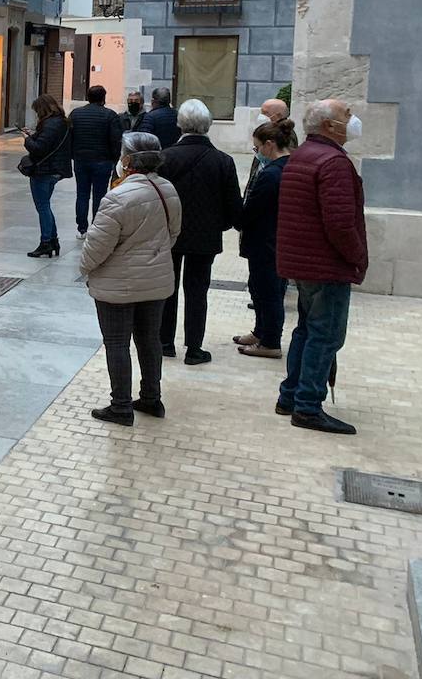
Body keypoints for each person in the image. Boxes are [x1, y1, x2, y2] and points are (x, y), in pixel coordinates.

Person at [275, 99, 368, 435]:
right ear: (330, 125)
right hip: (325, 265)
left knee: (306, 329)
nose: (352, 119)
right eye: (346, 114)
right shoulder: (333, 162)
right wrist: (357, 256)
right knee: (326, 336)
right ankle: (308, 406)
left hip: (304, 262)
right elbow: (340, 223)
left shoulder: (303, 155)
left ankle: (290, 396)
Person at [79, 133, 182, 425]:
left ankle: (121, 406)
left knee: (117, 342)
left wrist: (85, 269)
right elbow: (173, 233)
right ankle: (151, 397)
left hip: (117, 284)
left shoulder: (118, 197)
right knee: (149, 340)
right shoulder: (167, 189)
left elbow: (96, 246)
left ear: (126, 160)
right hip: (156, 280)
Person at [157, 99, 243, 364]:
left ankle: (165, 342)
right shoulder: (223, 161)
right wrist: (225, 224)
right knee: (197, 291)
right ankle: (194, 348)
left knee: (167, 288)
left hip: (169, 233)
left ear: (180, 124)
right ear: (208, 125)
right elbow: (233, 205)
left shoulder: (165, 158)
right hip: (205, 235)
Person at [235, 118, 296, 358]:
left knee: (268, 292)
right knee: (261, 289)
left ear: (269, 144)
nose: (257, 152)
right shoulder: (288, 166)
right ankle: (261, 331)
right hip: (276, 240)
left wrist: (237, 218)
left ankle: (270, 341)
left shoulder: (272, 174)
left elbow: (253, 208)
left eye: (258, 147)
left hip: (267, 242)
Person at [70, 85, 125, 239]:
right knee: (99, 195)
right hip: (102, 161)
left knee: (82, 194)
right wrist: (115, 159)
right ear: (103, 98)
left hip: (81, 160)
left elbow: (69, 136)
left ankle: (82, 228)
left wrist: (73, 154)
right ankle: (96, 226)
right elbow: (115, 140)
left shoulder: (75, 114)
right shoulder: (110, 115)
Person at [22, 94, 73, 257]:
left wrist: (27, 139)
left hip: (44, 171)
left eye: (37, 111)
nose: (37, 114)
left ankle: (46, 242)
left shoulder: (50, 124)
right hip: (56, 170)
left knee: (42, 207)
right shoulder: (62, 122)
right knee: (45, 206)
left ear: (42, 109)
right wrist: (34, 134)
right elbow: (49, 142)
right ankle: (53, 240)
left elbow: (38, 148)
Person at [244, 98, 298, 197]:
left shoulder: (286, 137)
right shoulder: (265, 132)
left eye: (265, 113)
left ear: (278, 116)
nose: (261, 116)